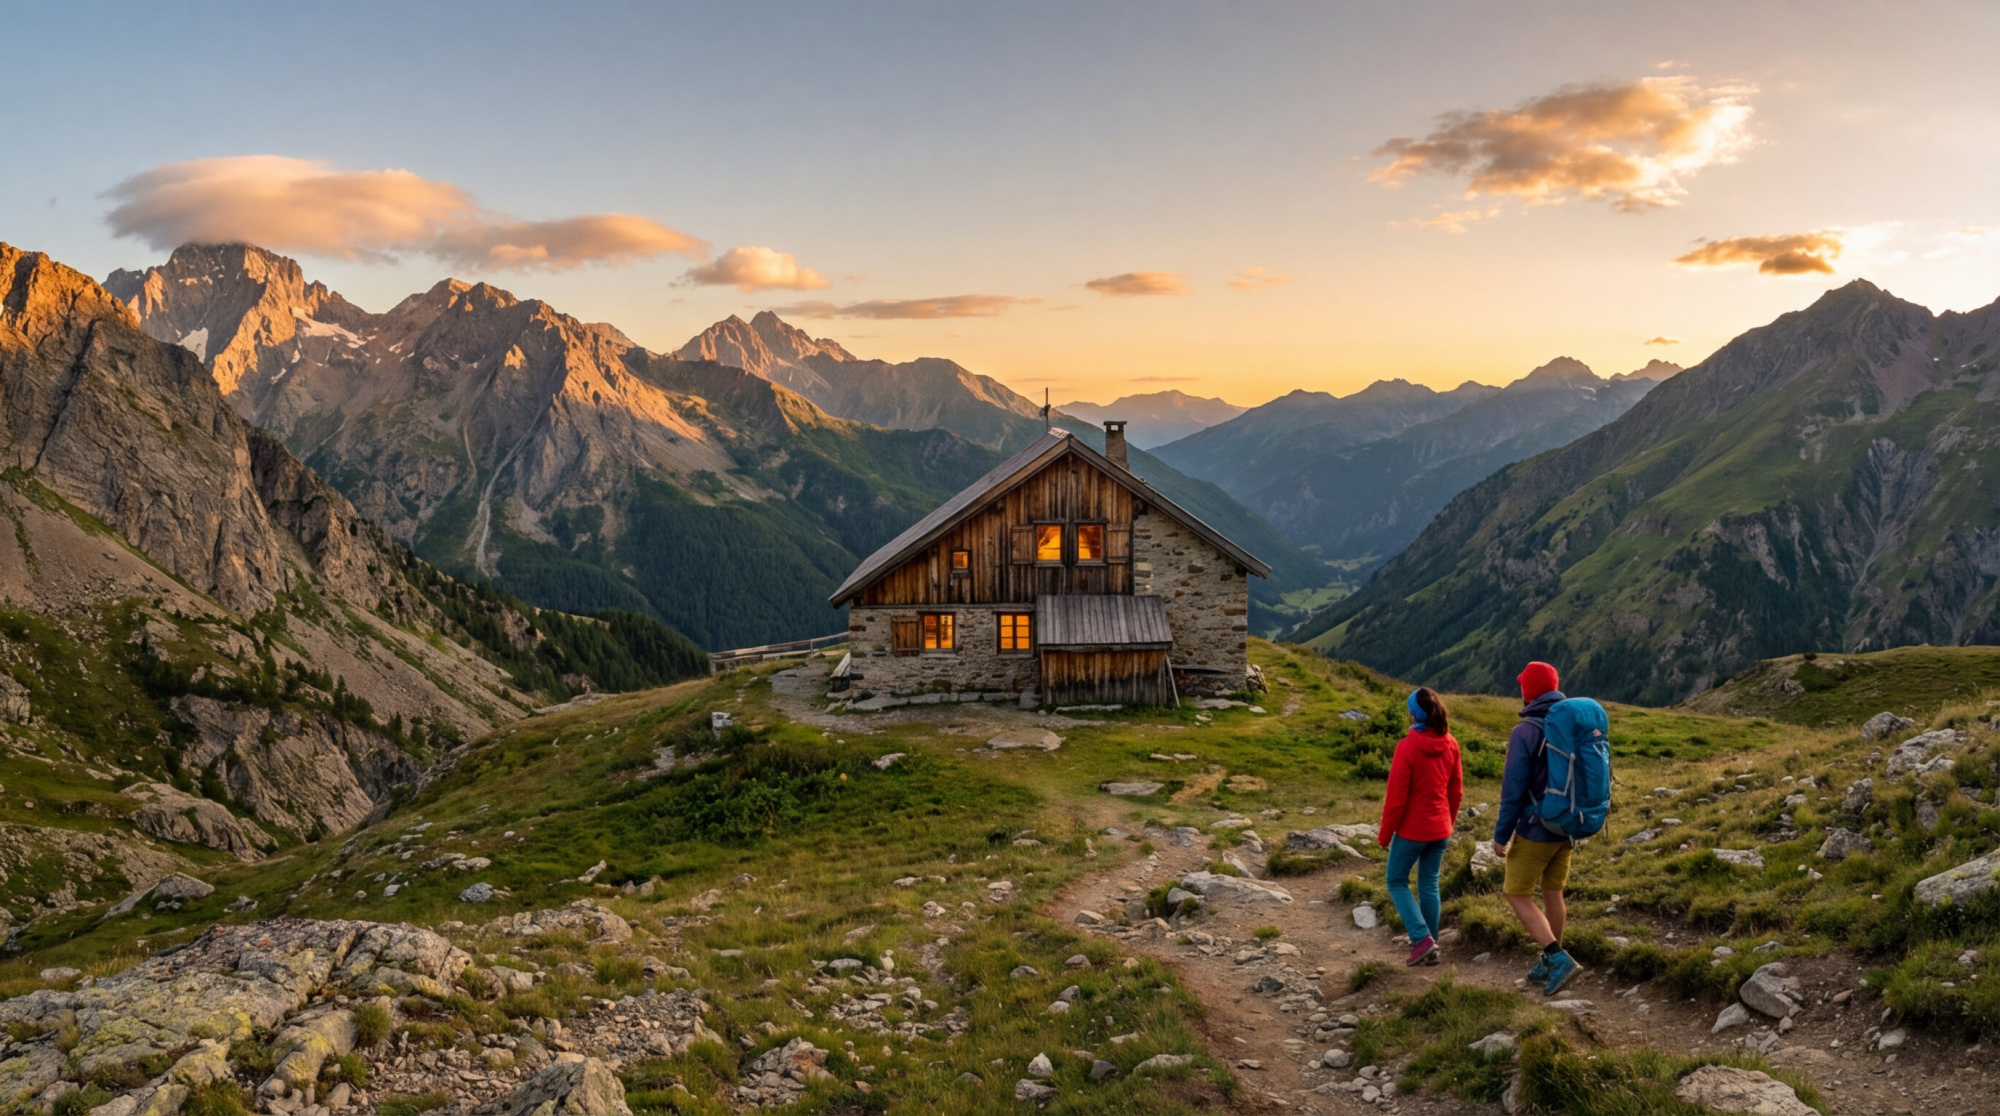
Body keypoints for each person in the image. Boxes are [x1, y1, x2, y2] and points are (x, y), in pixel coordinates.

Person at [1492, 660, 1579, 996]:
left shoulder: (1526, 730)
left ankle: (1557, 958)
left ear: (1529, 691)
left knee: (1516, 893)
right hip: (1569, 828)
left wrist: (1502, 836)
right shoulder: (1572, 724)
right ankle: (1550, 961)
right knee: (1552, 892)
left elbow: (1512, 790)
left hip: (1536, 828)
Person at [1378, 687, 1464, 966]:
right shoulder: (1451, 743)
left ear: (1414, 715)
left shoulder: (1407, 747)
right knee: (1429, 884)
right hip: (1441, 829)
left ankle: (1421, 938)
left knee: (1396, 880)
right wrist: (1447, 822)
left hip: (1413, 831)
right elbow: (1456, 791)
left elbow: (1396, 799)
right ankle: (1431, 945)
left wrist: (1384, 835)